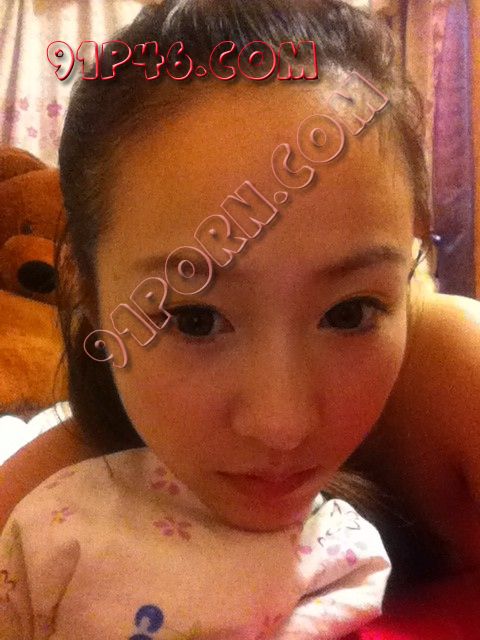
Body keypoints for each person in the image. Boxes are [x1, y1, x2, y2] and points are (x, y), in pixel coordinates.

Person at [2, 0, 475, 636]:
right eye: (195, 320)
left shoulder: (453, 374)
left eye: (350, 312)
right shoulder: (38, 522)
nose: (282, 425)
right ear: (84, 290)